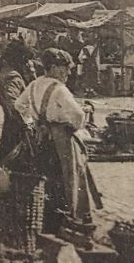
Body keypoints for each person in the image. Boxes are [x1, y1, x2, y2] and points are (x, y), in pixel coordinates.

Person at [14, 48, 93, 234]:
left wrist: (32, 122)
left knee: (44, 176)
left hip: (40, 138)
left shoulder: (33, 85)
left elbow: (19, 105)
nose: (67, 72)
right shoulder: (59, 89)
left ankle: (44, 219)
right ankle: (69, 217)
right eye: (64, 68)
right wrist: (72, 126)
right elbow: (78, 115)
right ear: (53, 68)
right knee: (68, 175)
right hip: (59, 140)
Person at [0, 39, 33, 160]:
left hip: (10, 125)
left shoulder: (5, 72)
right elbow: (13, 104)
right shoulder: (13, 77)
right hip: (16, 128)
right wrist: (27, 123)